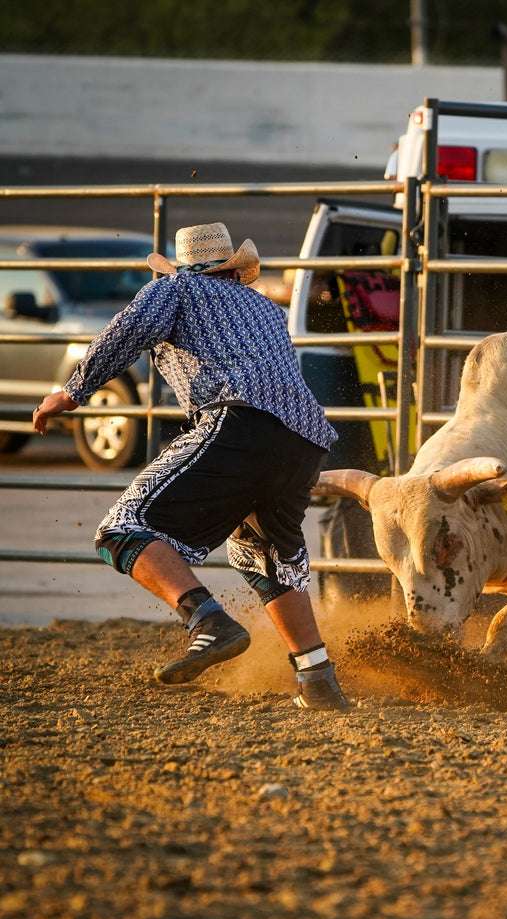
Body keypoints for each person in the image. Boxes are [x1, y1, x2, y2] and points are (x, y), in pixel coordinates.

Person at [33, 222, 348, 711]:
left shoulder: (175, 288)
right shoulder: (265, 307)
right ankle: (318, 680)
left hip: (239, 422)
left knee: (120, 529)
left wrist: (73, 391)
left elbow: (129, 328)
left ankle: (208, 621)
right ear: (231, 267)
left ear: (183, 266)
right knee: (265, 554)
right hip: (305, 443)